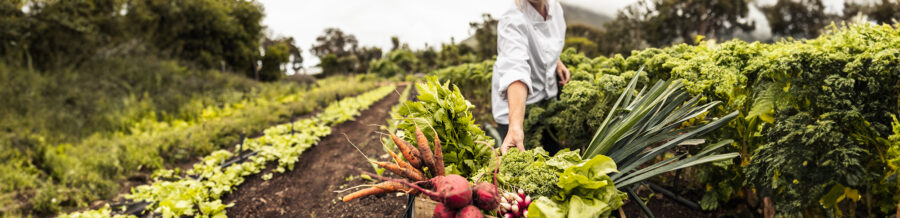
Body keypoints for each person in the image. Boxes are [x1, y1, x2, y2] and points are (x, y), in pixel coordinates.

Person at [493, 0, 570, 155]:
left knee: (552, 151)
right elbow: (516, 69)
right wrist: (515, 126)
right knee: (521, 166)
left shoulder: (555, 8)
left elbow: (546, 43)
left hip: (546, 96)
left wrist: (556, 61)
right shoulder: (512, 18)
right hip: (516, 106)